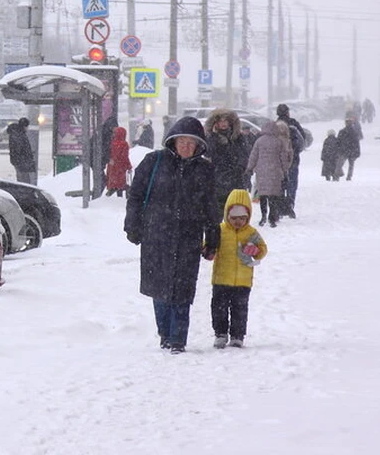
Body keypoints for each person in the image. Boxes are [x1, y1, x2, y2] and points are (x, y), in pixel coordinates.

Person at [124, 116, 219, 354]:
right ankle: (164, 333)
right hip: (156, 235)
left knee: (183, 289)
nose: (186, 146)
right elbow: (135, 196)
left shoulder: (205, 170)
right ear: (173, 141)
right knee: (159, 287)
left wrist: (213, 238)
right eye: (182, 141)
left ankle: (178, 338)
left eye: (192, 143)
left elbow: (211, 207)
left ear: (199, 146)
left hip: (189, 237)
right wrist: (132, 226)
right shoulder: (153, 162)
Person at [205, 188, 268, 349]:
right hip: (221, 279)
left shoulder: (251, 233)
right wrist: (208, 251)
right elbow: (209, 245)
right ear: (227, 214)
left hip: (243, 281)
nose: (238, 221)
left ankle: (237, 335)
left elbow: (262, 249)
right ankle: (220, 333)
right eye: (234, 218)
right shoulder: (220, 230)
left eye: (242, 218)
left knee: (240, 309)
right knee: (219, 309)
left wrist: (256, 251)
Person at [203, 108, 251, 225]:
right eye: (220, 121)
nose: (223, 123)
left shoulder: (238, 138)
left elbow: (244, 157)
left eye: (226, 120)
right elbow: (208, 154)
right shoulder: (211, 138)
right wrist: (214, 138)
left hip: (236, 183)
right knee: (215, 221)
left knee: (235, 219)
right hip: (217, 184)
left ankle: (233, 242)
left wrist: (243, 173)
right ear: (215, 123)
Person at [246, 121, 292, 227]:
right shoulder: (279, 142)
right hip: (275, 171)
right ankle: (272, 217)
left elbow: (254, 155)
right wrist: (285, 170)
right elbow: (283, 158)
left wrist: (249, 168)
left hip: (261, 171)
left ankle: (263, 216)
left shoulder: (259, 141)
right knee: (273, 196)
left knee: (263, 195)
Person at [275, 104, 306, 218]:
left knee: (280, 183)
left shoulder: (274, 125)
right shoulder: (294, 124)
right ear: (288, 112)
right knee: (292, 182)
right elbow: (302, 139)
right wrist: (295, 150)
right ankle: (290, 204)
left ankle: (280, 206)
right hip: (293, 159)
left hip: (278, 161)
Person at [7, 117, 37, 185]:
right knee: (24, 180)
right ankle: (24, 192)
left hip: (19, 161)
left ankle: (24, 191)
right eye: (27, 126)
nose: (27, 128)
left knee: (22, 178)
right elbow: (19, 149)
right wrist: (26, 157)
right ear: (24, 126)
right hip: (21, 162)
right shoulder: (18, 134)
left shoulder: (17, 133)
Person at [105, 126, 131, 197]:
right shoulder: (124, 144)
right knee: (121, 184)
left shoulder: (112, 143)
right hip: (120, 167)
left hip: (112, 166)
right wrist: (129, 166)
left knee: (114, 184)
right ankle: (119, 199)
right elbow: (125, 157)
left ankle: (108, 196)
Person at [336, 116, 362, 181]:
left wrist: (338, 149)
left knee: (340, 165)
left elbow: (338, 142)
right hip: (351, 151)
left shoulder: (342, 131)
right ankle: (348, 177)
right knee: (350, 165)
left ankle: (338, 176)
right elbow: (357, 143)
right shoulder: (354, 132)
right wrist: (357, 152)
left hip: (344, 151)